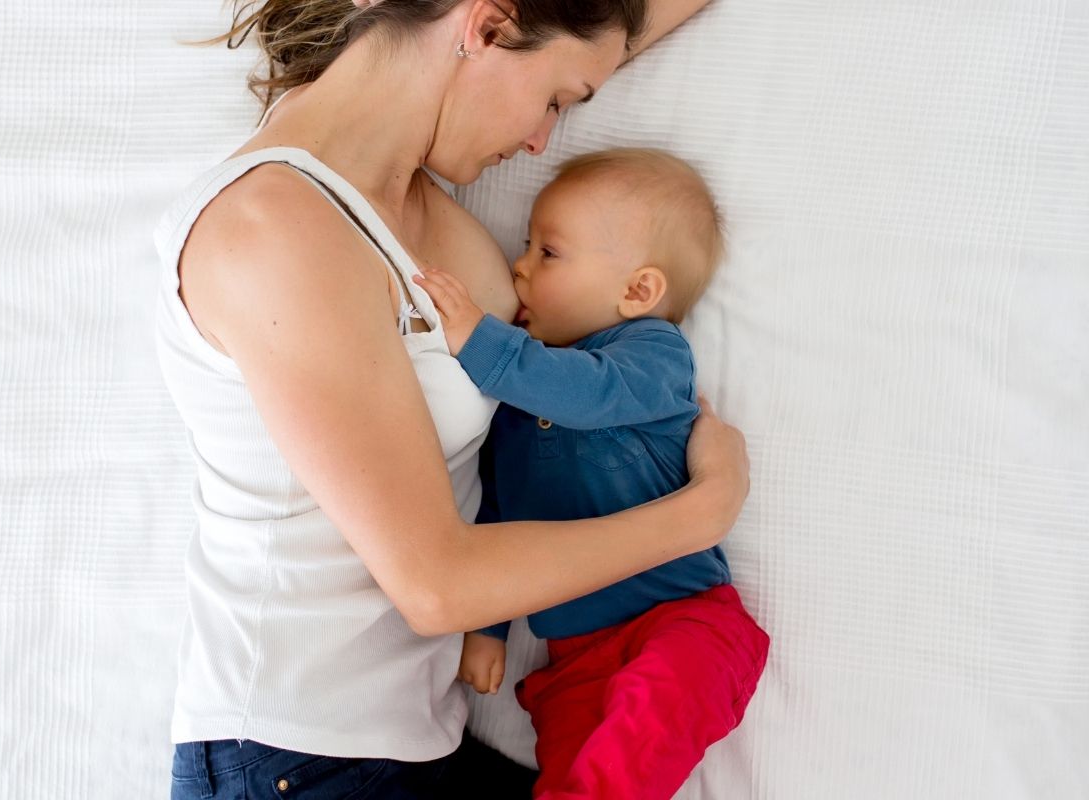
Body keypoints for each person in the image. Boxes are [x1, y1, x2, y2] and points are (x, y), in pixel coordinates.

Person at [156, 1, 750, 798]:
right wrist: (702, 513)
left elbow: (615, 19)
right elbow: (437, 584)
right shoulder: (275, 226)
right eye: (558, 101)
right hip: (292, 758)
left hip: (412, 746)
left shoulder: (420, 209)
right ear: (489, 27)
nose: (544, 139)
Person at [413, 147, 770, 800]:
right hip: (573, 658)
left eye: (547, 253)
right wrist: (489, 626)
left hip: (681, 623)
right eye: (527, 246)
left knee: (646, 721)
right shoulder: (517, 407)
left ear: (638, 292)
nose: (519, 267)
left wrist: (480, 338)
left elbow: (584, 393)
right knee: (573, 770)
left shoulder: (652, 358)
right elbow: (501, 517)